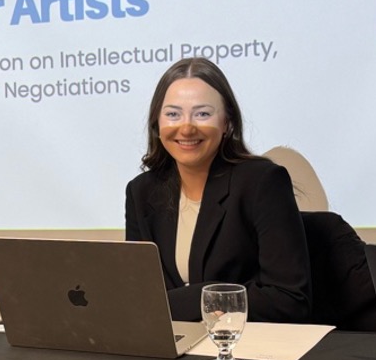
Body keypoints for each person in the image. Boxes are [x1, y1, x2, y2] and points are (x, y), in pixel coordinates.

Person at [124, 57, 312, 322]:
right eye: (173, 114)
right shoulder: (141, 191)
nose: (186, 127)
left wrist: (197, 299)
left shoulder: (262, 182)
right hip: (172, 349)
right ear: (157, 123)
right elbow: (138, 296)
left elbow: (289, 299)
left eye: (202, 114)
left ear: (227, 123)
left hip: (244, 349)